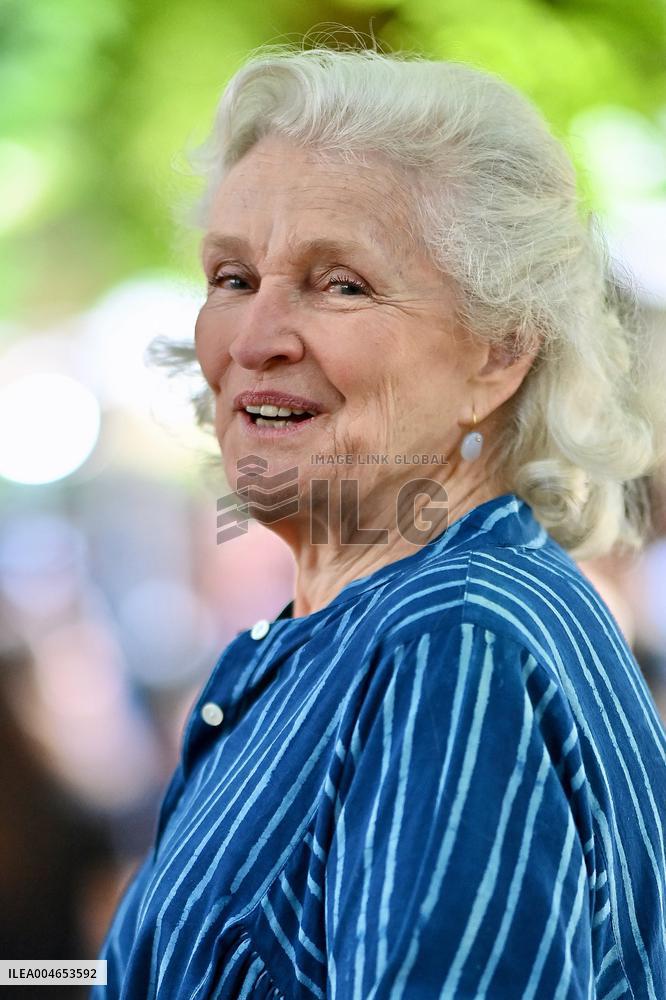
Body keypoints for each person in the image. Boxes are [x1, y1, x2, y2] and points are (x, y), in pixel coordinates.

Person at [94, 43, 666, 999]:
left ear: (499, 354)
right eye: (233, 278)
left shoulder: (453, 645)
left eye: (340, 283)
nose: (256, 338)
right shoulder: (379, 627)